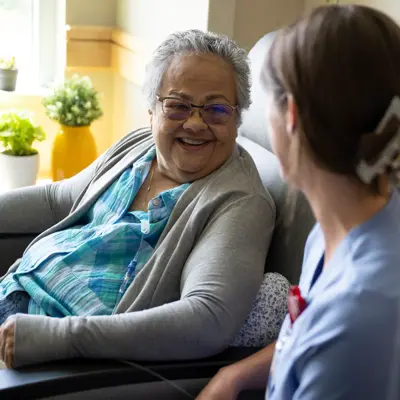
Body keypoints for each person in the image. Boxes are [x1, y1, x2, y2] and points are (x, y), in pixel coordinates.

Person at [0, 30, 276, 368]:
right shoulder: (140, 147)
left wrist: (59, 337)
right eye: (178, 106)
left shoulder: (239, 202)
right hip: (18, 292)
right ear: (152, 109)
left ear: (237, 118)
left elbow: (207, 318)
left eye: (216, 109)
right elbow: (57, 198)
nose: (194, 123)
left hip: (51, 346)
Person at [197, 5, 400, 400]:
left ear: (291, 117)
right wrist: (235, 376)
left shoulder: (359, 314)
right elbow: (306, 336)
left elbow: (332, 337)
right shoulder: (342, 229)